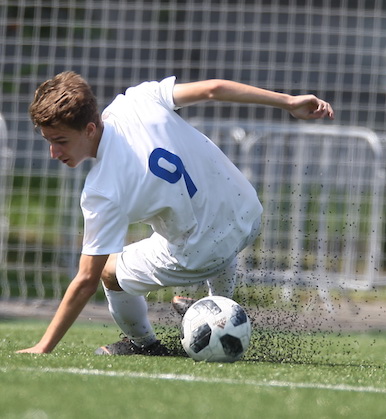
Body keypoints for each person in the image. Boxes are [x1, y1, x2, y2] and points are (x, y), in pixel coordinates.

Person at [17, 72, 334, 355]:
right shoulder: (136, 100)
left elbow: (87, 279)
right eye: (48, 141)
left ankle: (143, 344)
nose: (53, 152)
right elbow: (213, 88)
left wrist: (44, 346)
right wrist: (289, 102)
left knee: (109, 272)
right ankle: (220, 305)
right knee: (197, 221)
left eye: (60, 141)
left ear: (89, 129)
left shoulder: (102, 191)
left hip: (203, 252)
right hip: (247, 212)